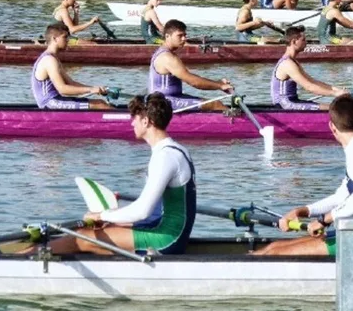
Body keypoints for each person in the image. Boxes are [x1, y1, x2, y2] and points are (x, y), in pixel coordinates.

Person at [21, 93, 196, 256]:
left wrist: (101, 215)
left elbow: (143, 211)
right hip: (167, 230)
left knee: (82, 237)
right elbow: (156, 211)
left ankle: (18, 259)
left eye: (134, 117)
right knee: (101, 229)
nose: (131, 123)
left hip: (166, 240)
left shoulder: (165, 157)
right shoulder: (176, 149)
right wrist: (112, 219)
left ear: (146, 121)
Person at [254, 94, 353, 256]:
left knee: (273, 254)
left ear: (332, 126)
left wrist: (324, 220)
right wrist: (304, 211)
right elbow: (341, 198)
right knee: (273, 247)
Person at [150, 19, 234, 111]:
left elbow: (192, 77)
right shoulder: (167, 57)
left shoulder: (164, 52)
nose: (184, 39)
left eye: (185, 35)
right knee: (215, 104)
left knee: (209, 102)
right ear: (167, 36)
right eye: (180, 36)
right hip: (163, 102)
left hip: (171, 98)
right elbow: (194, 82)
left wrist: (218, 82)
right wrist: (220, 86)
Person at [32, 23, 111, 110]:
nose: (68, 40)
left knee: (101, 103)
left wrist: (96, 89)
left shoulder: (53, 58)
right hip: (49, 103)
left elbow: (71, 83)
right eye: (65, 37)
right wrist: (91, 90)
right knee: (100, 105)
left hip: (55, 101)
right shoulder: (49, 60)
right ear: (54, 39)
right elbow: (63, 89)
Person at [271, 26, 348, 110]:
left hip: (293, 102)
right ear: (294, 42)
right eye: (303, 40)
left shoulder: (293, 61)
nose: (306, 42)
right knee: (335, 109)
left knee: (334, 107)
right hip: (285, 105)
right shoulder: (287, 64)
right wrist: (335, 93)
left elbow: (312, 81)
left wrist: (336, 89)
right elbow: (309, 87)